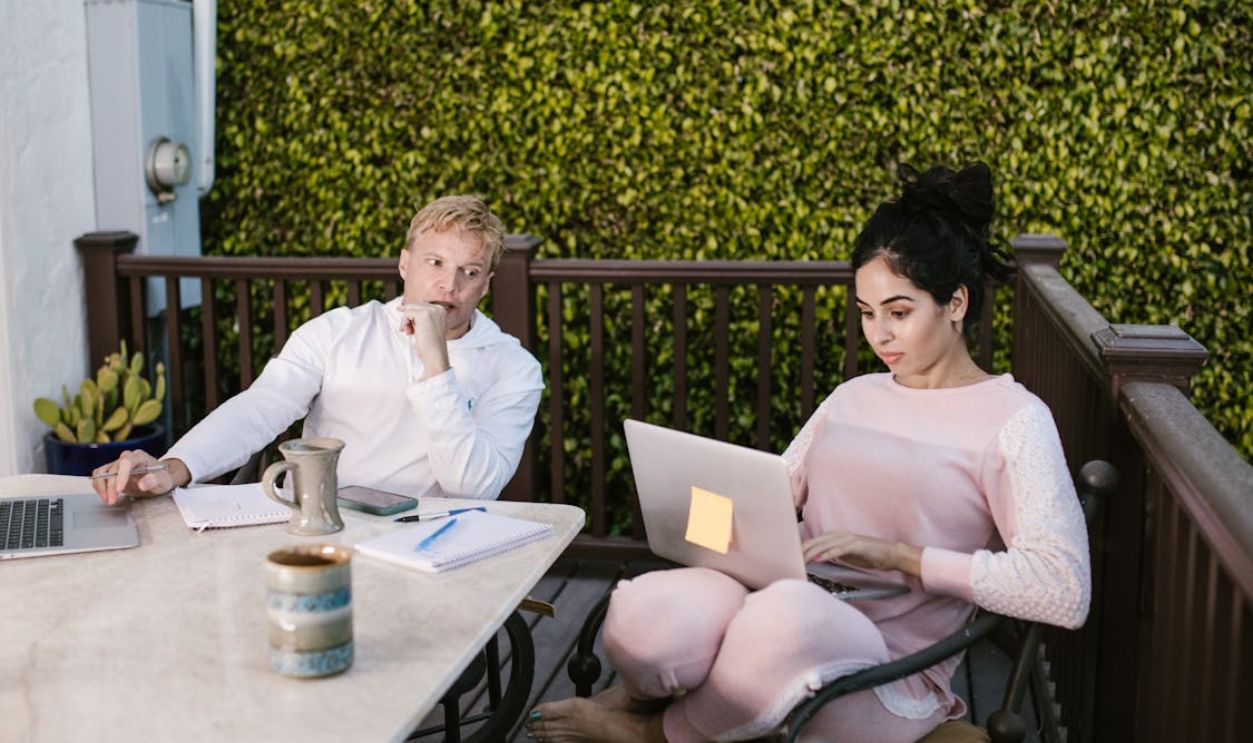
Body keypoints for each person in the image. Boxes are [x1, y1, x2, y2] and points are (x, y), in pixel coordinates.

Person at [527, 163, 1091, 743]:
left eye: (899, 312)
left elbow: (1062, 587)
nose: (881, 335)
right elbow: (772, 494)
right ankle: (642, 698)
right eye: (867, 313)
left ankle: (652, 734)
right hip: (776, 598)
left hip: (883, 669)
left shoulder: (1014, 419)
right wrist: (707, 514)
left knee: (784, 621)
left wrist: (901, 556)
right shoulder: (853, 396)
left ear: (955, 304)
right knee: (644, 614)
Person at [92, 195, 543, 505]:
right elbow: (262, 407)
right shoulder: (339, 331)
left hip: (431, 542)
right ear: (404, 263)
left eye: (469, 271)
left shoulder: (514, 368)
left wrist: (436, 364)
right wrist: (175, 467)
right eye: (435, 262)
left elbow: (471, 488)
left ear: (486, 284)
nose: (450, 284)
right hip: (319, 524)